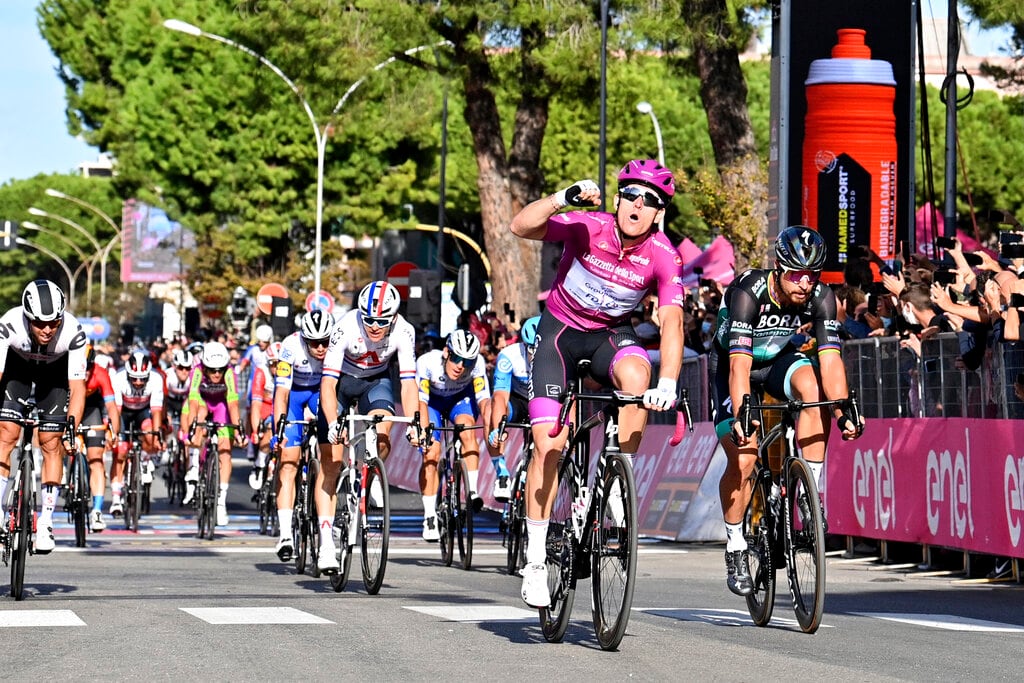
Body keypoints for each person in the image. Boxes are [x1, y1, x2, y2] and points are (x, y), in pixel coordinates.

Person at [508, 160, 686, 607]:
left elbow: (672, 322)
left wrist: (668, 381)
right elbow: (520, 227)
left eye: (649, 200)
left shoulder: (663, 255)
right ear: (619, 199)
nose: (637, 205)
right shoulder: (588, 227)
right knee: (549, 444)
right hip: (559, 335)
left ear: (659, 212)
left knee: (638, 376)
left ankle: (618, 476)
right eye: (631, 194)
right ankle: (535, 561)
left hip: (610, 335)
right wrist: (560, 199)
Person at [710, 225, 864, 596]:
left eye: (812, 275)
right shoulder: (749, 291)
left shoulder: (822, 296)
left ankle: (809, 491)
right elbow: (739, 366)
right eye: (796, 275)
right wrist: (743, 411)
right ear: (779, 268)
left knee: (813, 389)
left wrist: (842, 410)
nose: (804, 283)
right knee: (744, 458)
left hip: (777, 360)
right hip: (734, 366)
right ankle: (735, 545)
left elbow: (830, 361)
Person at [319, 281, 419, 573]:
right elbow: (327, 383)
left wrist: (415, 422)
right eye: (369, 320)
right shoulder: (345, 327)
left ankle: (372, 473)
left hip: (375, 382)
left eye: (382, 321)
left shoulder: (404, 331)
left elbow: (409, 383)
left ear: (394, 317)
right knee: (331, 461)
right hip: (341, 383)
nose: (375, 327)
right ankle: (326, 544)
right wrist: (333, 422)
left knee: (383, 430)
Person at [0, 280, 87, 553]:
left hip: (54, 376)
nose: (48, 329)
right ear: (27, 318)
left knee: (52, 441)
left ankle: (46, 521)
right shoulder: (9, 324)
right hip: (16, 371)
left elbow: (77, 387)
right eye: (39, 323)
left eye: (53, 323)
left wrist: (72, 427)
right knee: (7, 434)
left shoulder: (73, 331)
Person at [414, 329, 492, 542]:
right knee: (431, 452)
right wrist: (424, 432)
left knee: (467, 430)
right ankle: (429, 515)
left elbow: (484, 400)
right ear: (446, 352)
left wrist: (492, 426)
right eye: (457, 358)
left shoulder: (477, 365)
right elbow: (421, 402)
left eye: (467, 361)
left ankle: (472, 491)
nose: (461, 366)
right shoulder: (427, 362)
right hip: (432, 403)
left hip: (460, 400)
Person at [272, 310, 334, 562]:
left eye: (325, 342)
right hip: (294, 395)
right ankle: (286, 534)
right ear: (304, 339)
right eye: (314, 343)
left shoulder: (335, 345)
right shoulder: (290, 346)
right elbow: (281, 394)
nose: (320, 348)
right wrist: (279, 429)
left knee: (331, 452)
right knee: (288, 462)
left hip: (321, 392)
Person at [181, 341, 246, 525]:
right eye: (212, 370)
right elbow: (193, 401)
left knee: (225, 450)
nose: (217, 374)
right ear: (204, 367)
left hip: (221, 405)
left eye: (220, 370)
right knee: (199, 418)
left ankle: (221, 502)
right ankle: (194, 466)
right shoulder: (197, 371)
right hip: (203, 402)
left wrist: (238, 430)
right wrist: (192, 428)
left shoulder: (229, 373)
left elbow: (232, 403)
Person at [485, 315, 540, 502]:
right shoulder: (509, 356)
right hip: (517, 402)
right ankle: (501, 475)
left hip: (541, 400)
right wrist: (497, 428)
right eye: (532, 349)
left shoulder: (556, 354)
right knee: (490, 409)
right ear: (524, 345)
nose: (536, 355)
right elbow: (500, 396)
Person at [110, 350, 165, 517]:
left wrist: (156, 437)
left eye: (142, 379)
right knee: (120, 451)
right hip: (123, 412)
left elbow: (156, 411)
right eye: (134, 378)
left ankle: (145, 459)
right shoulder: (118, 378)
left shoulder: (156, 379)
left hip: (143, 411)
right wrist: (115, 434)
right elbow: (116, 411)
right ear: (128, 374)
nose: (139, 382)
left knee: (150, 432)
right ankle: (116, 498)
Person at [81, 344, 121, 531]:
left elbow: (112, 407)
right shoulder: (64, 371)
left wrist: (114, 432)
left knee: (96, 460)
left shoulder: (100, 373)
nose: (85, 373)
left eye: (88, 368)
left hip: (91, 409)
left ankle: (96, 511)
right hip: (68, 404)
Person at [248, 341, 281, 490]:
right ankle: (259, 464)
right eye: (273, 364)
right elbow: (256, 404)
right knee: (268, 430)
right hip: (265, 408)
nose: (277, 368)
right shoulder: (261, 372)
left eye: (280, 364)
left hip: (282, 406)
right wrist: (255, 430)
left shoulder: (290, 371)